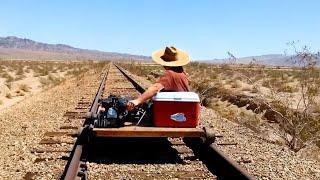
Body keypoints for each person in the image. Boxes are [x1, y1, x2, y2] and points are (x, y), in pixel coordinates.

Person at [127, 46, 190, 111]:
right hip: (182, 107)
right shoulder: (182, 73)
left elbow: (155, 88)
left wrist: (137, 101)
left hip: (172, 109)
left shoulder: (170, 74)